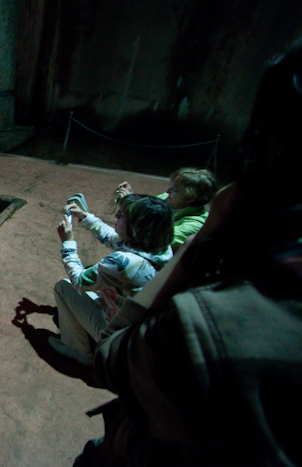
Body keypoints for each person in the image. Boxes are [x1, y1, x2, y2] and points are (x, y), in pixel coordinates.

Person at [74, 45, 302, 467]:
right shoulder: (157, 231)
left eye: (122, 217)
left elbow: (112, 354)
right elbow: (123, 233)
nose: (167, 194)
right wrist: (97, 218)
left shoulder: (213, 318)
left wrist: (204, 242)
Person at [50, 194, 174, 366]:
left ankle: (78, 350)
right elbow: (113, 238)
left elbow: (79, 281)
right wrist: (86, 217)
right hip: (137, 329)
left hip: (116, 335)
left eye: (122, 215)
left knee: (64, 287)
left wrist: (68, 244)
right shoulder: (161, 248)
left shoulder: (124, 263)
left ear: (135, 227)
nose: (116, 216)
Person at [116, 167, 216, 252]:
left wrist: (129, 205)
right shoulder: (166, 199)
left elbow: (155, 239)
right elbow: (146, 213)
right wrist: (132, 198)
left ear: (190, 198)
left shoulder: (196, 224)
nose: (167, 191)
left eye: (175, 190)